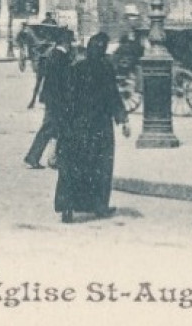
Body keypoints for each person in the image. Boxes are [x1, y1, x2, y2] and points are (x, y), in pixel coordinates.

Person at [53, 32, 130, 222]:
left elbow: (66, 99)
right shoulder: (106, 69)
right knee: (101, 167)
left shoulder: (76, 69)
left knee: (73, 166)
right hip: (100, 127)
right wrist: (123, 119)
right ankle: (99, 206)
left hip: (77, 126)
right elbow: (113, 96)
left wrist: (63, 125)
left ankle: (67, 207)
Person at [24, 33, 72, 168]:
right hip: (57, 99)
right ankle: (33, 157)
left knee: (58, 129)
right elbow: (62, 81)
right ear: (66, 43)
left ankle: (55, 159)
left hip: (51, 98)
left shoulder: (51, 55)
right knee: (49, 128)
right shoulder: (61, 57)